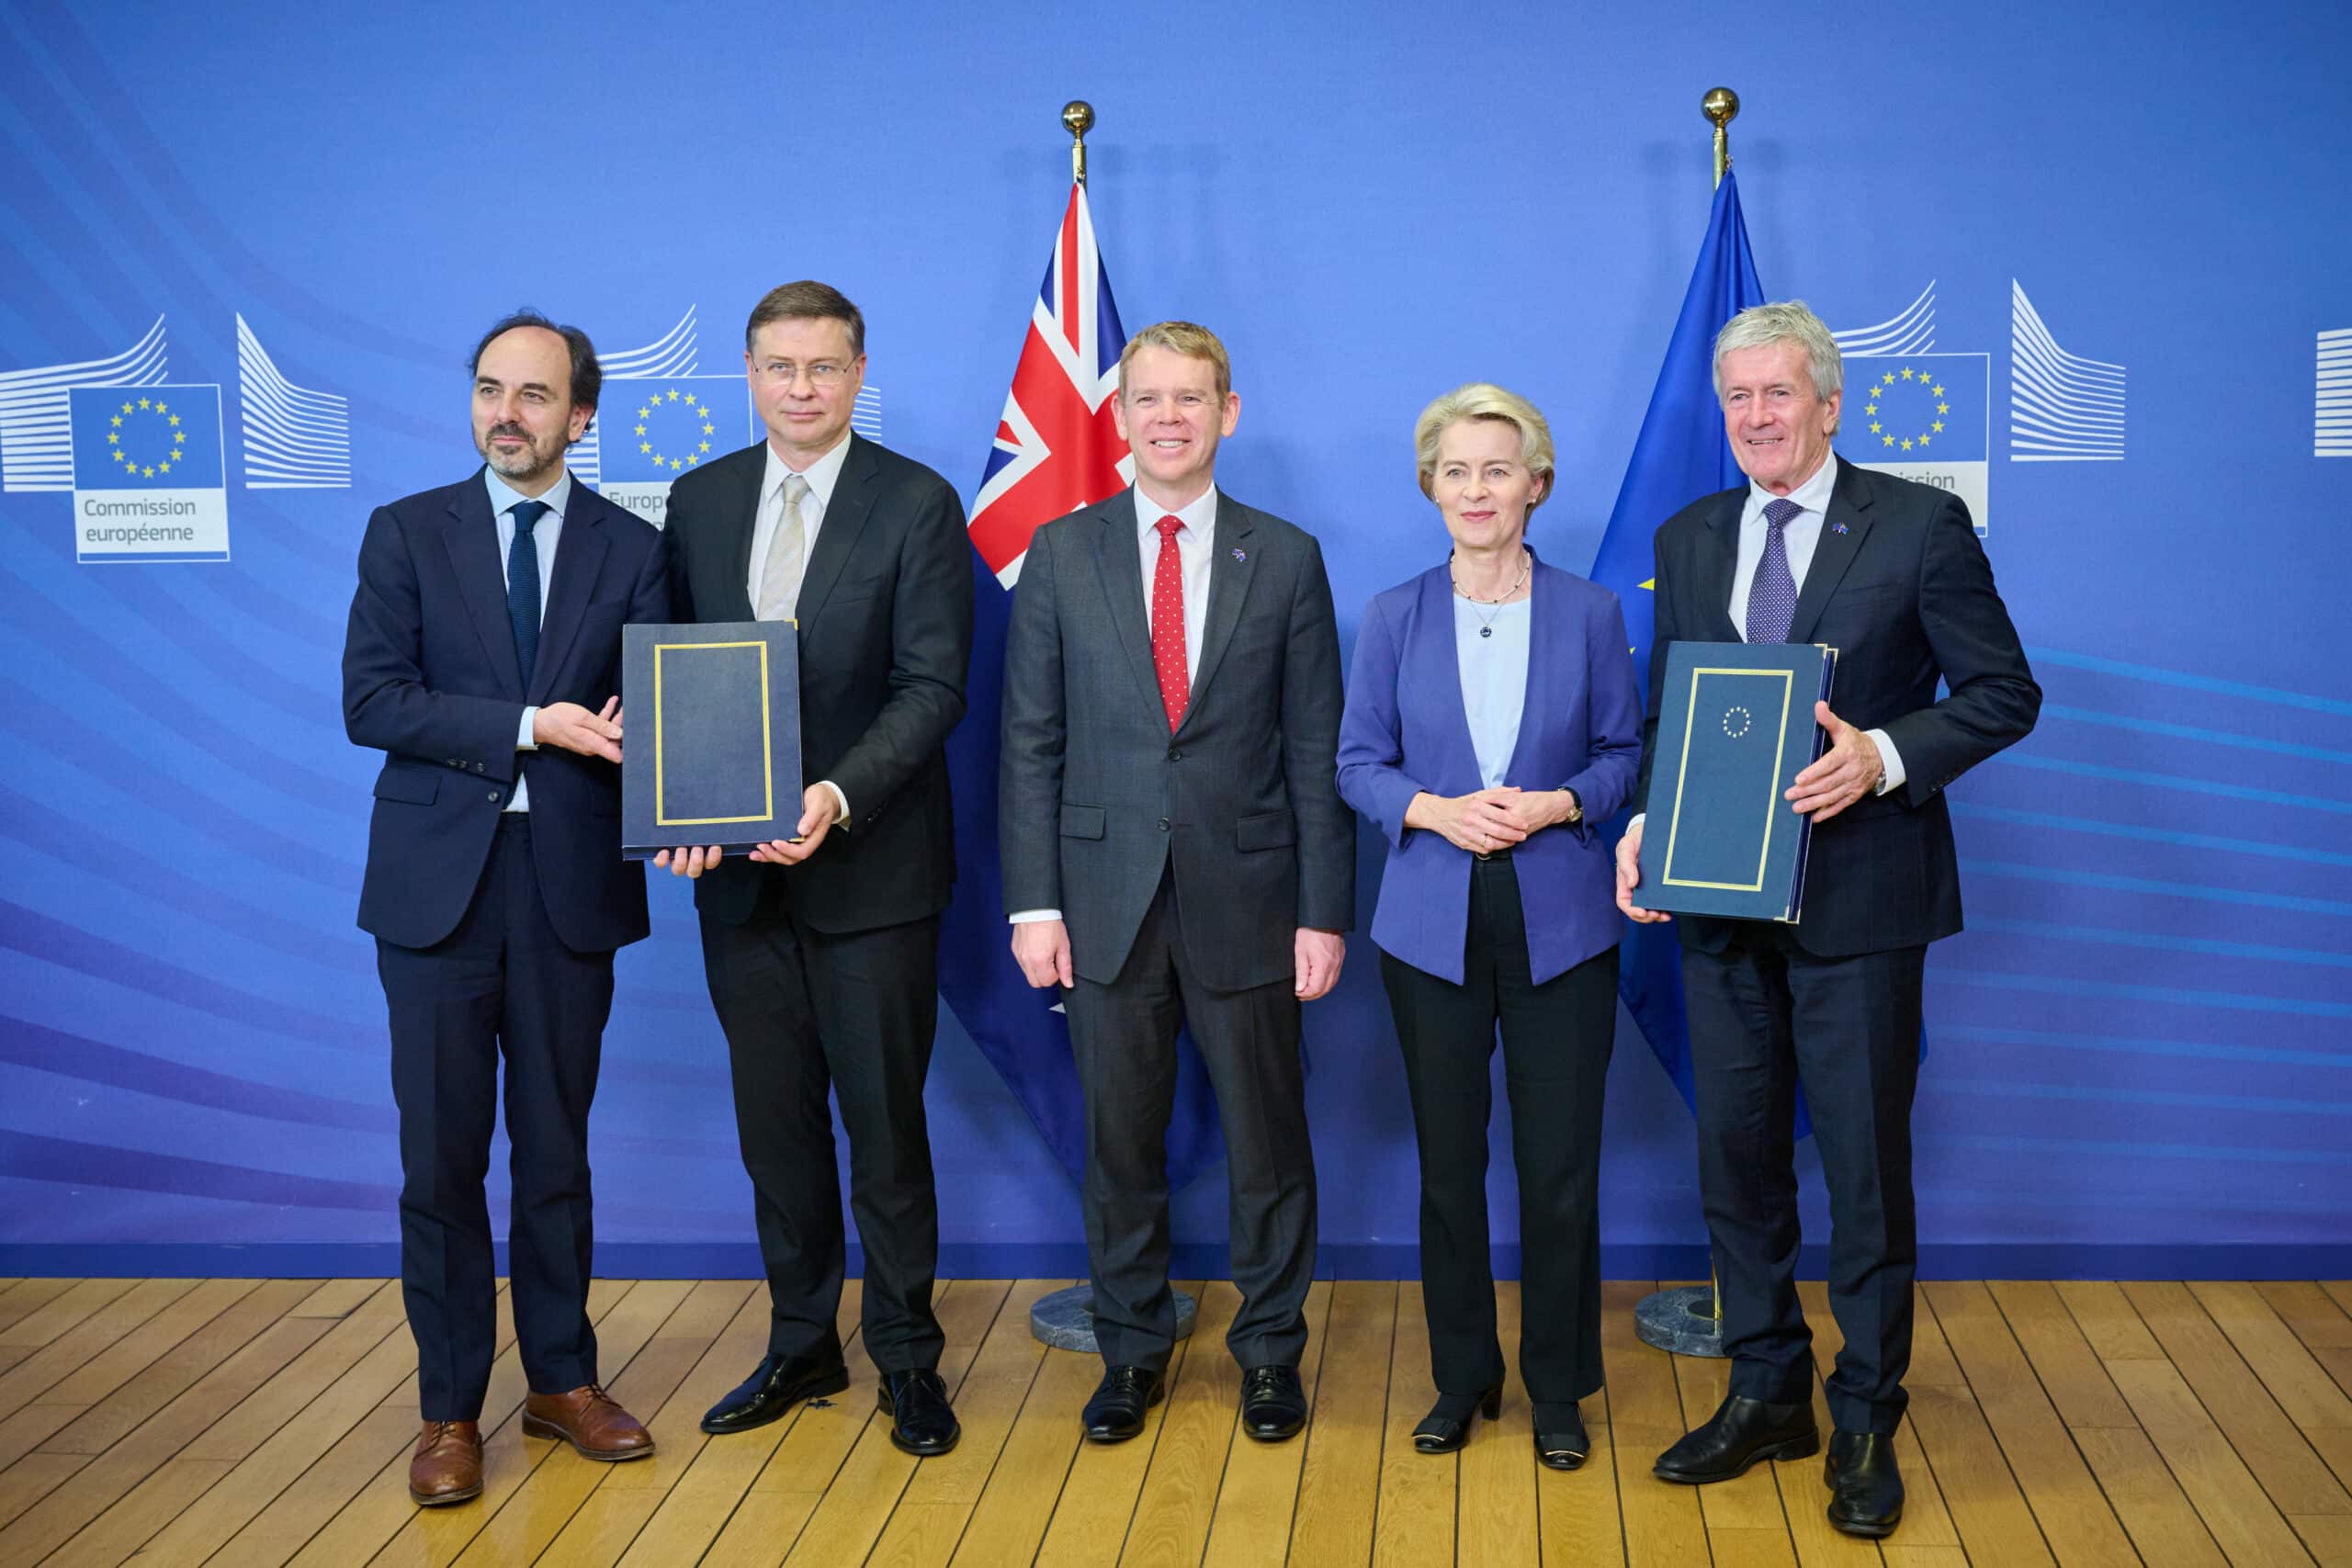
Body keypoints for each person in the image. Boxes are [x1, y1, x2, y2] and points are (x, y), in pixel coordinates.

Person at [1617, 300, 2040, 1538]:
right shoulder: (1691, 533)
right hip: (1717, 901)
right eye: (1738, 397)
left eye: (1779, 394)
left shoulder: (1918, 522)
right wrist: (1647, 822)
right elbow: (1671, 713)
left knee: (1862, 1172)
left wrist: (1887, 758)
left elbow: (2006, 692)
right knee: (1736, 1165)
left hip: (1863, 899)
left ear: (1829, 401)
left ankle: (1866, 1412)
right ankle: (1767, 1388)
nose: (1757, 416)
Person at [999, 321, 1352, 1446]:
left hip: (1248, 898)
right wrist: (1034, 902)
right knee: (1118, 1146)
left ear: (1227, 412)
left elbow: (1314, 749)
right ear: (1118, 414)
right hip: (1099, 903)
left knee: (1266, 1143)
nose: (1166, 417)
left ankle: (1269, 1355)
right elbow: (1029, 744)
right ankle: (1131, 1350)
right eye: (1146, 398)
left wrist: (1322, 911)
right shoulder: (1061, 551)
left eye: (1190, 398)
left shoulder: (1285, 556)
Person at [344, 310, 669, 1506]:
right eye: (490, 389)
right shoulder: (405, 533)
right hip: (434, 895)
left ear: (579, 414)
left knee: (555, 1152)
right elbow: (373, 700)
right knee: (439, 1160)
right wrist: (532, 725)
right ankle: (448, 1405)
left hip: (567, 888)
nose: (507, 414)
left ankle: (562, 1379)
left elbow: (670, 714)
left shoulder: (633, 547)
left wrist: (698, 801)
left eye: (535, 395)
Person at [658, 281, 974, 1458]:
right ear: (747, 373)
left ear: (858, 374)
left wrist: (835, 797)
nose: (801, 388)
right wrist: (676, 808)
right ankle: (802, 1344)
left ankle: (905, 1358)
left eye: (824, 368)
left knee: (886, 1132)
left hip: (875, 873)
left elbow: (934, 685)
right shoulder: (697, 501)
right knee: (775, 1129)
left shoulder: (918, 503)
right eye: (780, 367)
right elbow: (676, 678)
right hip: (738, 885)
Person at [1335, 384, 1640, 1468]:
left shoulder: (1593, 614)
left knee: (1560, 1169)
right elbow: (1355, 763)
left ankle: (1558, 1388)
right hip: (1430, 921)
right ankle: (1463, 1379)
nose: (1476, 489)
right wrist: (1432, 808)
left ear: (1535, 487)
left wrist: (1561, 804)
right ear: (1431, 488)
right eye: (1455, 471)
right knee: (1447, 1167)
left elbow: (1622, 757)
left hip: (1562, 920)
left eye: (1496, 470)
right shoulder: (1391, 615)